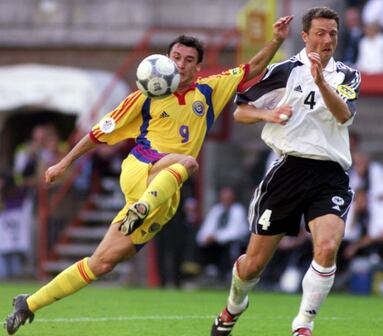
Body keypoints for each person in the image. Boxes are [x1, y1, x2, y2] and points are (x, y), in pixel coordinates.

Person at [4, 15, 294, 335]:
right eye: (176, 58)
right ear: (165, 61)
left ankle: (28, 303)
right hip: (141, 168)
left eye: (188, 60)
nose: (181, 65)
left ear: (198, 67)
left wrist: (277, 40)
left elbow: (251, 69)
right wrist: (64, 163)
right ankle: (140, 208)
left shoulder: (210, 90)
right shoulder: (144, 96)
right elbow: (99, 133)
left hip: (164, 194)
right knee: (188, 162)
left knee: (102, 263)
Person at [210, 7, 361, 336]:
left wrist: (322, 83)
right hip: (288, 171)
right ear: (305, 36)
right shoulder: (285, 70)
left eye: (332, 33)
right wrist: (269, 114)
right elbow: (241, 112)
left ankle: (303, 324)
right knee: (253, 265)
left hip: (330, 174)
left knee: (326, 246)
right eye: (320, 33)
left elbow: (343, 115)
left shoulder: (346, 75)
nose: (327, 39)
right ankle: (234, 306)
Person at [196, 186, 249, 282]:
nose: (226, 200)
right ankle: (210, 270)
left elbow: (235, 232)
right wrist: (205, 237)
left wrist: (217, 237)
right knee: (203, 244)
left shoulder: (238, 210)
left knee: (229, 246)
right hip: (215, 244)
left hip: (232, 243)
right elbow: (207, 227)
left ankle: (229, 272)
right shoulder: (216, 210)